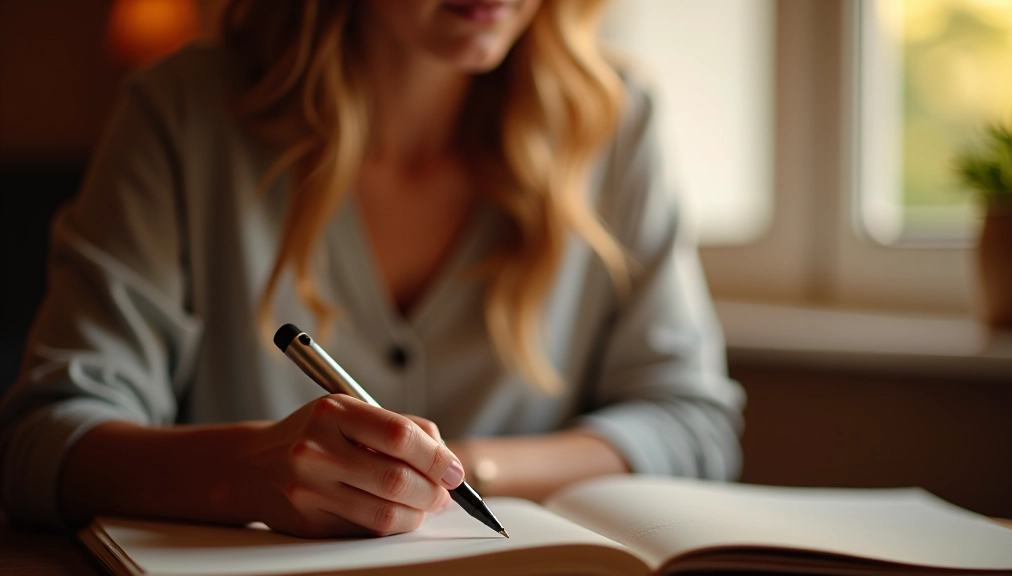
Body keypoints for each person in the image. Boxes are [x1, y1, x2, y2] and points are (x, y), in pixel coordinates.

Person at [0, 0, 744, 538]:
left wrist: (465, 471)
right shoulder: (182, 118)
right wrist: (247, 471)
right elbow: (40, 444)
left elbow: (694, 424)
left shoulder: (612, 125)